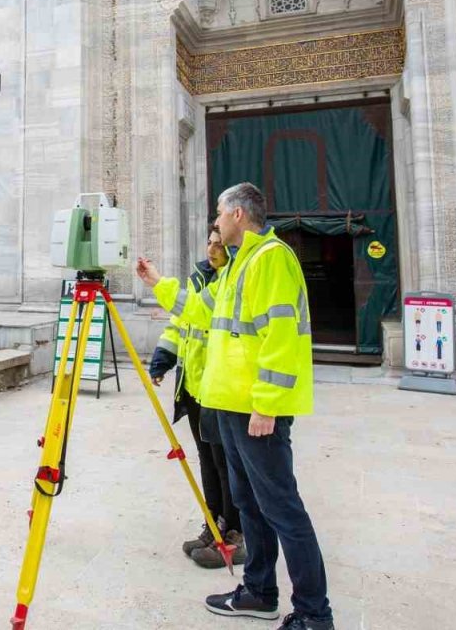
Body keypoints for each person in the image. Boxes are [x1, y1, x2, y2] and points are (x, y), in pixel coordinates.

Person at [138, 182, 333, 629]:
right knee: (249, 504)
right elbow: (201, 310)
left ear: (239, 215)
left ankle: (314, 614)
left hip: (254, 411)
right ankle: (259, 592)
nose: (216, 223)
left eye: (220, 215)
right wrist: (156, 283)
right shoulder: (234, 267)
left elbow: (281, 339)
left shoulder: (271, 260)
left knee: (282, 508)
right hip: (225, 405)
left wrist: (267, 405)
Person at [144, 226, 244, 569]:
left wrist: (159, 282)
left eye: (220, 244)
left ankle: (235, 534)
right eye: (210, 242)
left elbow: (199, 310)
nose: (213, 248)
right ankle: (213, 522)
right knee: (207, 460)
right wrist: (163, 358)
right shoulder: (200, 277)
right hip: (195, 387)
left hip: (220, 389)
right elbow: (179, 323)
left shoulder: (231, 281)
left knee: (225, 463)